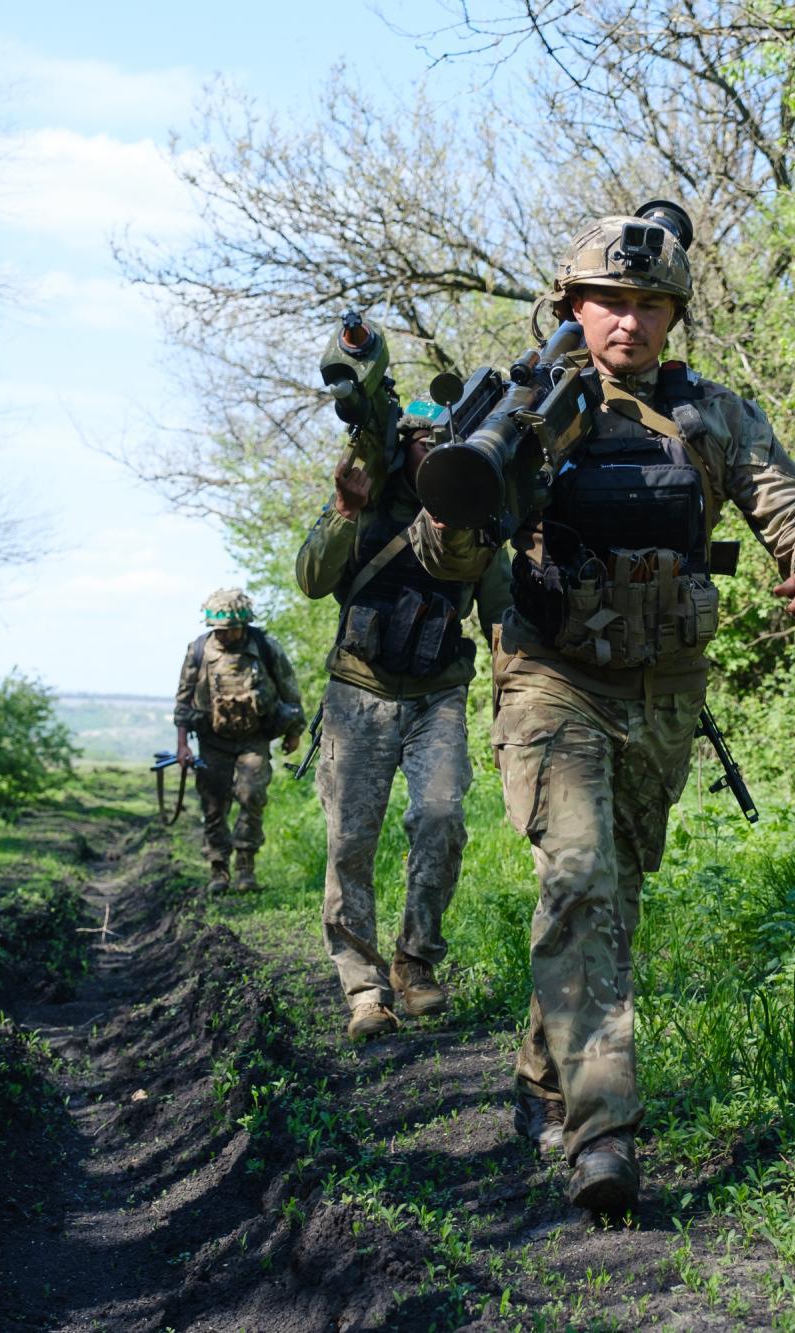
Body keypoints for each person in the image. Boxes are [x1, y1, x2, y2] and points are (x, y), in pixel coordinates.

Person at [412, 202, 795, 1213]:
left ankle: (540, 1079)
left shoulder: (709, 413)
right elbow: (447, 559)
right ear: (568, 304)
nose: (629, 322)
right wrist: (465, 497)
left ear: (673, 315)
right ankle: (600, 1133)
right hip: (549, 675)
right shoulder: (521, 408)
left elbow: (788, 499)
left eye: (651, 304)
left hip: (661, 683)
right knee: (578, 878)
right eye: (610, 300)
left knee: (610, 890)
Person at [297, 317, 511, 1044]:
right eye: (417, 441)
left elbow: (502, 615)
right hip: (358, 693)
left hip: (436, 695)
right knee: (350, 841)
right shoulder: (365, 497)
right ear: (402, 445)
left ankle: (415, 965)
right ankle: (363, 987)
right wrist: (344, 510)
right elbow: (310, 577)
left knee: (442, 819)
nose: (428, 451)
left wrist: (514, 708)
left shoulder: (474, 516)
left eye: (440, 442)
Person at [172, 589, 306, 894]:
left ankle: (246, 866)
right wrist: (183, 745)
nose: (226, 635)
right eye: (219, 630)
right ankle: (218, 869)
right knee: (214, 803)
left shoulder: (265, 647)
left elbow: (289, 690)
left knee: (252, 795)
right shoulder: (198, 651)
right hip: (212, 740)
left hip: (254, 739)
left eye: (231, 629)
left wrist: (294, 731)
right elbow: (182, 701)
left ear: (244, 624)